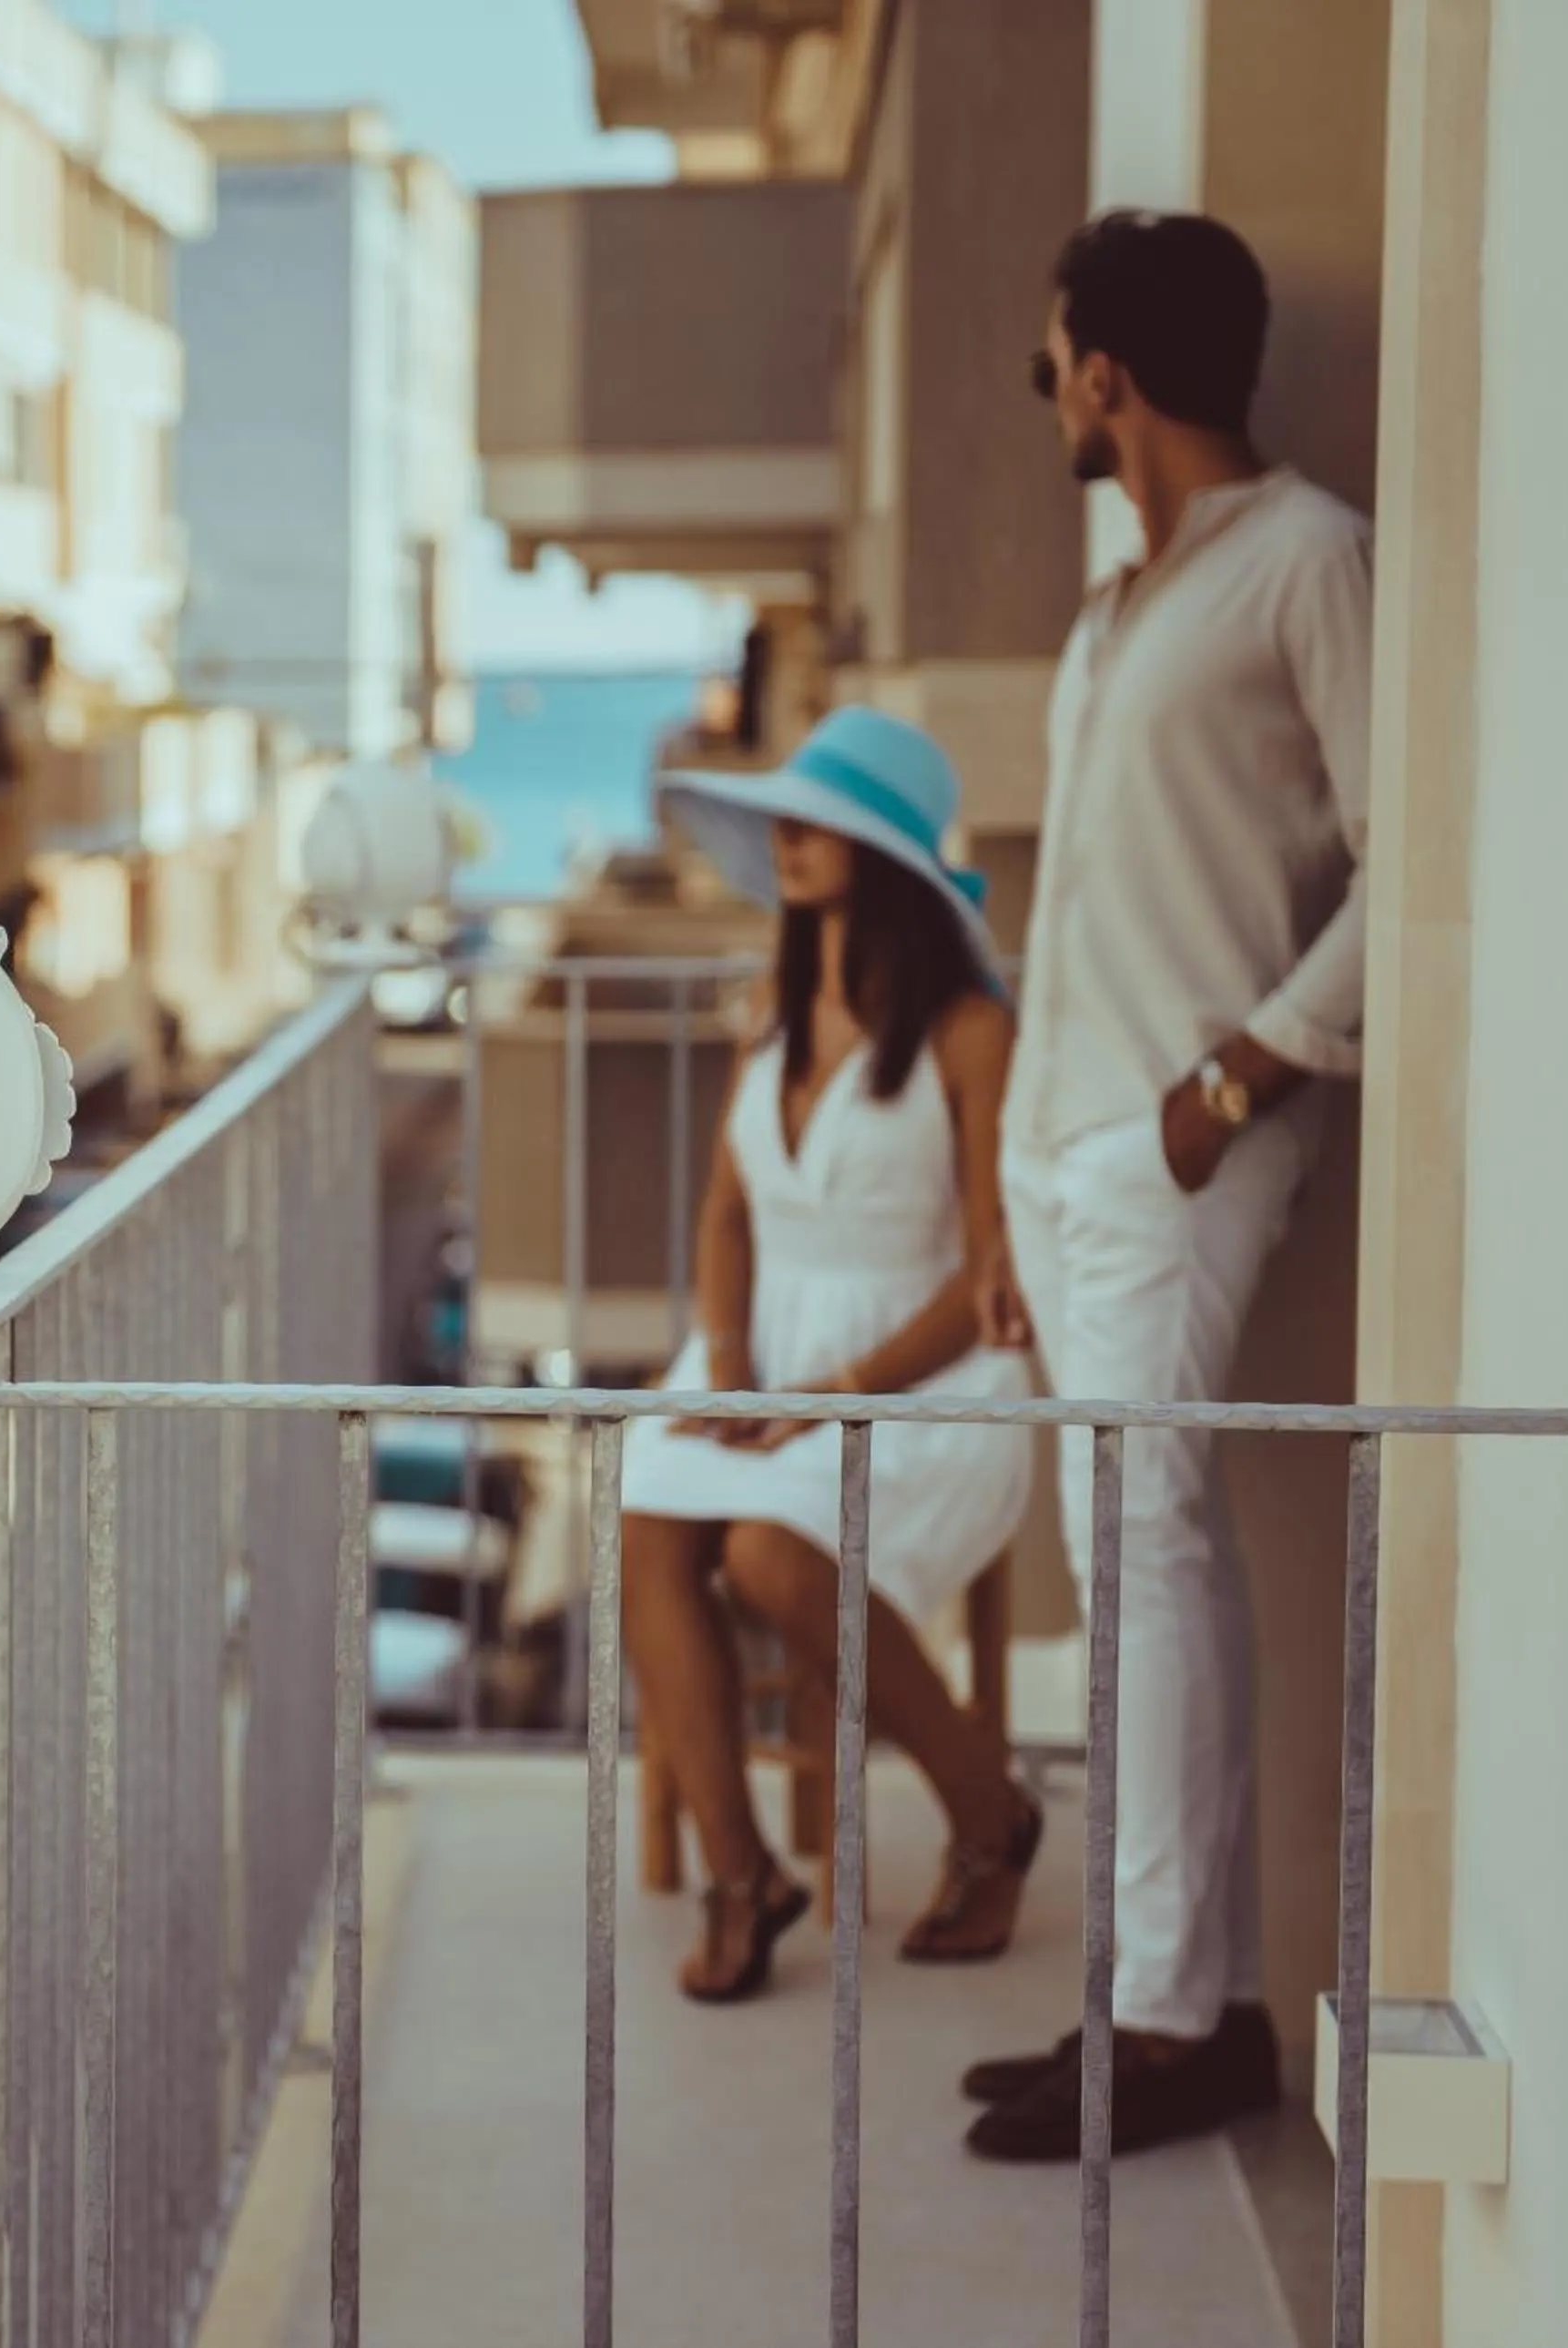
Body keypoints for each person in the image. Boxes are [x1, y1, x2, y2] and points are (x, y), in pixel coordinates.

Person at [960, 211, 1373, 2161]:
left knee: (1149, 1554)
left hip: (1181, 1142)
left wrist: (1232, 1079)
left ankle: (1162, 2013)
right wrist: (1020, 1178)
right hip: (1078, 1153)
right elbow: (1081, 912)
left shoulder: (1312, 561)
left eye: (1056, 362)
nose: (1050, 392)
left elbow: (1416, 863)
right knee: (1147, 1560)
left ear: (1107, 374)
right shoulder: (1117, 608)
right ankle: (1172, 1998)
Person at [619, 706, 1040, 2005]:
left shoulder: (972, 1031)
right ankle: (745, 1877)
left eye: (819, 824)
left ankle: (990, 1814)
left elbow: (987, 1283)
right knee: (640, 1521)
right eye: (784, 821)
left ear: (891, 860)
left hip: (923, 1376)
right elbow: (724, 1215)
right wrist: (736, 1366)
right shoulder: (775, 1010)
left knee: (770, 1557)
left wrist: (829, 1397)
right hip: (760, 1353)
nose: (788, 842)